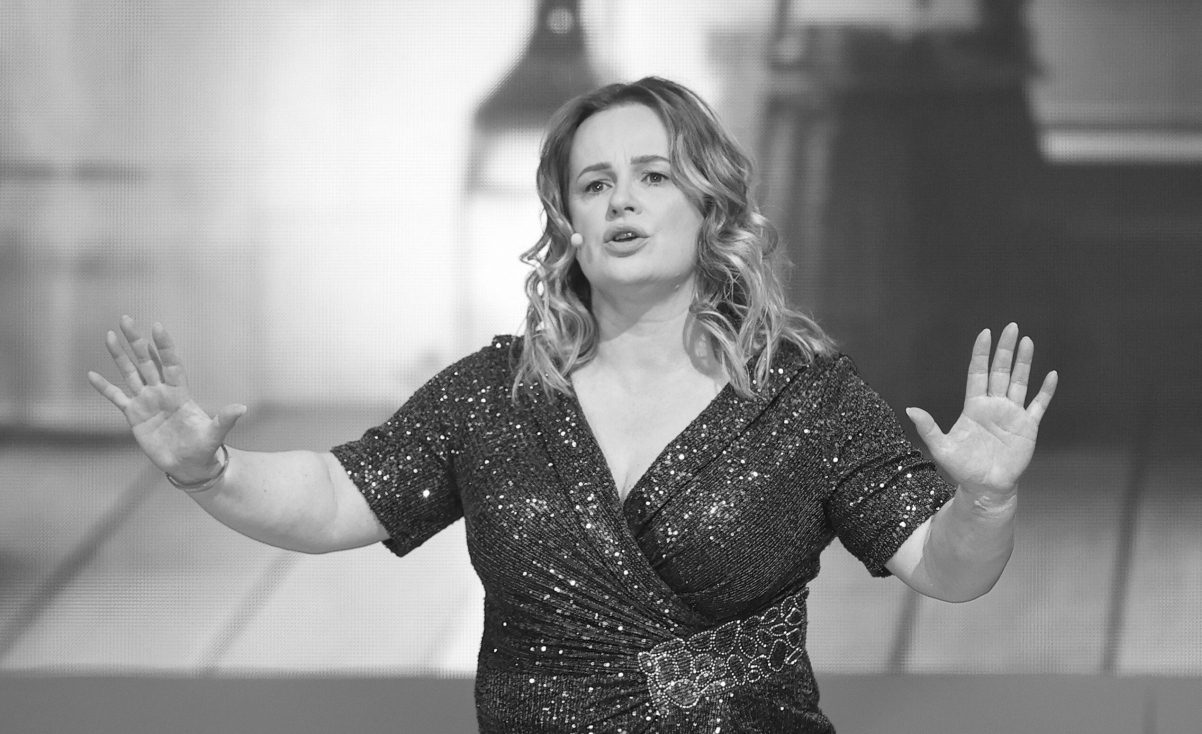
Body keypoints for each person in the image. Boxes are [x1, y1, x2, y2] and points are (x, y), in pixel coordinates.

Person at [89, 77, 1056, 733]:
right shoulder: (495, 394)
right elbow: (337, 499)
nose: (621, 201)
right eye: (596, 185)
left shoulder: (804, 397)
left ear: (710, 206)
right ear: (571, 224)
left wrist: (986, 500)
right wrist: (209, 472)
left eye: (653, 177)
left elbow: (948, 572)